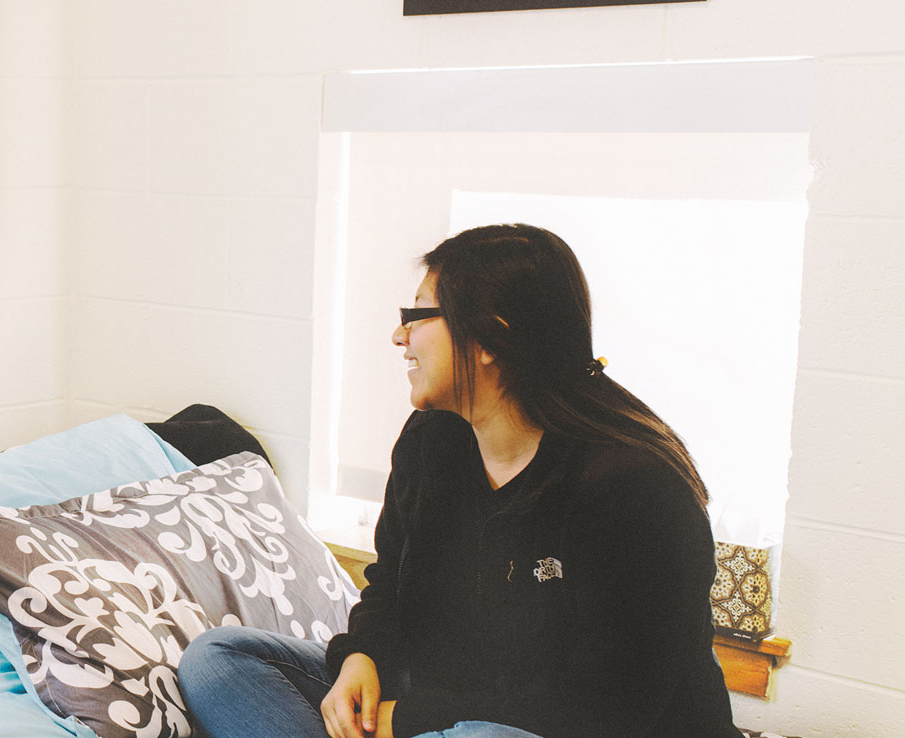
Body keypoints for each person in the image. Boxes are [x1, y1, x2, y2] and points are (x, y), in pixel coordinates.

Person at [178, 224, 735, 738]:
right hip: (441, 706)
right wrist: (361, 658)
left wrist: (413, 719)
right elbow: (388, 587)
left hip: (568, 727)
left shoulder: (632, 487)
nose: (400, 335)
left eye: (418, 315)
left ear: (490, 339)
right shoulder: (430, 440)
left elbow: (607, 706)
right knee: (219, 660)